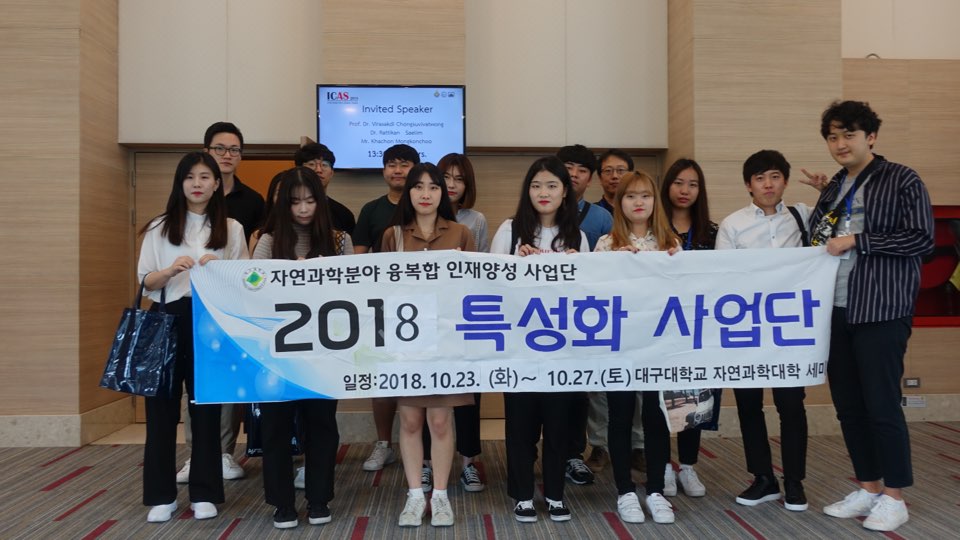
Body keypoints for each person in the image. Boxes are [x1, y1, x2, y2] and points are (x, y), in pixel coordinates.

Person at [802, 101, 934, 532]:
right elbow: (820, 242)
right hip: (835, 309)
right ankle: (869, 486)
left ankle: (895, 496)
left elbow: (921, 239)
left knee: (882, 404)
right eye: (833, 137)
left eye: (849, 135)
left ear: (871, 137)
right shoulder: (835, 187)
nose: (840, 144)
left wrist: (860, 239)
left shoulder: (902, 178)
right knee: (849, 406)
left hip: (880, 307)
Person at [137, 152, 248, 523]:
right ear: (180, 183)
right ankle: (161, 496)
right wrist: (170, 270)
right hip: (167, 317)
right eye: (190, 177)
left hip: (211, 322)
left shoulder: (231, 228)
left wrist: (222, 269)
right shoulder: (159, 226)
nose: (197, 184)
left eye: (204, 177)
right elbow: (145, 281)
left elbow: (248, 281)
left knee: (206, 409)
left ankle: (204, 492)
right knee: (161, 411)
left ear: (217, 183)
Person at [490, 156, 589, 524]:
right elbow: (489, 284)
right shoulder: (510, 230)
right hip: (519, 348)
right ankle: (522, 495)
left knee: (559, 425)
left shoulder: (578, 236)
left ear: (565, 192)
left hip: (563, 350)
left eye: (551, 185)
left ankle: (556, 494)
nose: (543, 192)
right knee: (521, 426)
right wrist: (515, 265)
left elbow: (590, 295)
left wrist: (578, 267)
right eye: (536, 185)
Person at [253, 167, 351, 529]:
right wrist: (287, 276)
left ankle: (319, 498)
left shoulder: (339, 241)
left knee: (322, 424)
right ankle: (282, 503)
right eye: (295, 202)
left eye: (310, 201)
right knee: (275, 427)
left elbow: (353, 292)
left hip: (324, 351)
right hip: (277, 352)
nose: (304, 209)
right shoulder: (268, 241)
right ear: (284, 205)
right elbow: (251, 288)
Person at [380, 163, 477, 528]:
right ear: (408, 193)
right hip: (406, 344)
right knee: (409, 420)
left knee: (439, 420)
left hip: (447, 343)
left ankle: (439, 495)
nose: (425, 194)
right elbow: (381, 290)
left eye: (433, 187)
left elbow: (474, 288)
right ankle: (413, 495)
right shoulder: (393, 235)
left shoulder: (461, 233)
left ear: (442, 193)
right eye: (418, 187)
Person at [716, 149, 810, 513]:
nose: (767, 184)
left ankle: (795, 482)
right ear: (748, 185)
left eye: (774, 176)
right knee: (748, 405)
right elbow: (723, 277)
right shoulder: (733, 224)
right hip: (746, 330)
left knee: (791, 405)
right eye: (759, 178)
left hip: (790, 330)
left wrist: (826, 189)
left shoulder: (804, 216)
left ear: (784, 180)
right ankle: (763, 478)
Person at [177, 122, 263, 484]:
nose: (227, 155)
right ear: (206, 152)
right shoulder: (182, 206)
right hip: (185, 305)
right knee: (193, 385)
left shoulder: (252, 202)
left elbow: (252, 260)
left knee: (226, 380)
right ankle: (195, 454)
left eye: (234, 149)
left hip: (228, 306)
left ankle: (225, 452)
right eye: (220, 148)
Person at [596, 170, 681, 525]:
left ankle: (656, 489)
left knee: (656, 415)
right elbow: (593, 294)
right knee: (620, 414)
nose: (638, 202)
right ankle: (625, 491)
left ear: (654, 201)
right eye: (630, 196)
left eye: (645, 195)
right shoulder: (606, 243)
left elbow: (683, 291)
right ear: (620, 203)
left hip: (659, 344)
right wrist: (617, 265)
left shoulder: (670, 242)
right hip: (620, 344)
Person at [417, 153, 488, 494]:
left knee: (467, 395)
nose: (451, 185)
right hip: (422, 324)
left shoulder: (474, 222)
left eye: (459, 179)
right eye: (445, 178)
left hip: (462, 321)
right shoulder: (413, 222)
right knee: (426, 397)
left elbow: (483, 268)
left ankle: (468, 462)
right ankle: (427, 463)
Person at [353, 144, 420, 473]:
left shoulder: (424, 205)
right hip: (380, 306)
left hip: (421, 306)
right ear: (383, 171)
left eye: (404, 164)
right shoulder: (371, 209)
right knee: (382, 378)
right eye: (391, 164)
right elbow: (358, 259)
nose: (397, 170)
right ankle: (384, 444)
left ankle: (421, 448)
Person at [658, 158, 718, 498]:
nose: (685, 190)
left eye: (693, 184)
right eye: (679, 182)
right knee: (660, 400)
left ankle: (688, 466)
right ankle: (663, 466)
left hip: (699, 328)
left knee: (695, 398)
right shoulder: (654, 228)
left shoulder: (712, 232)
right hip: (660, 328)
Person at [555, 144, 613, 486]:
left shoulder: (601, 218)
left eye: (582, 170)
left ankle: (578, 453)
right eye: (568, 168)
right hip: (546, 318)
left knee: (582, 390)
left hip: (586, 316)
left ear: (591, 178)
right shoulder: (536, 212)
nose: (574, 175)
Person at [294, 142, 356, 234]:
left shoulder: (343, 214)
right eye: (311, 164)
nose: (318, 170)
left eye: (324, 165)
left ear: (332, 173)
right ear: (298, 171)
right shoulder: (288, 209)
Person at [595, 149, 635, 214]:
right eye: (608, 170)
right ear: (600, 178)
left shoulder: (638, 210)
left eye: (621, 170)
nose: (614, 176)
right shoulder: (591, 213)